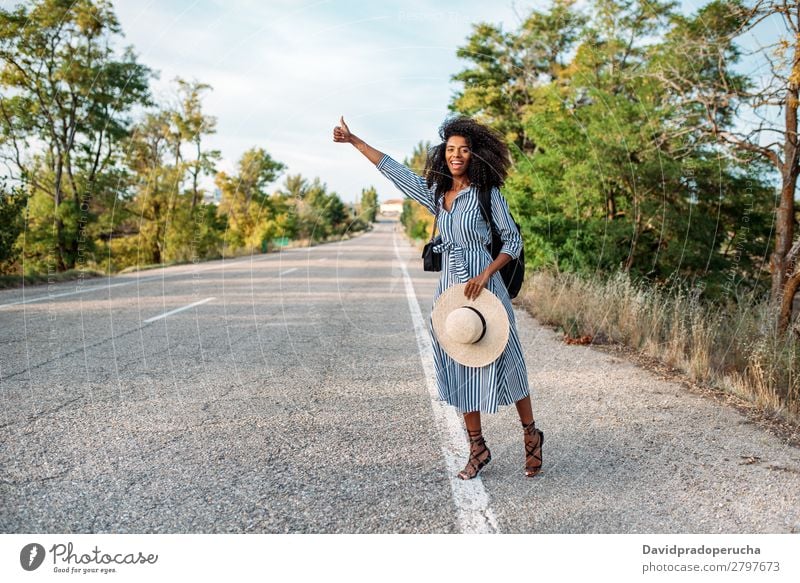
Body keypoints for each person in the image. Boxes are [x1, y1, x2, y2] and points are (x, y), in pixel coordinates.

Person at [333, 114, 543, 480]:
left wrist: (486, 273)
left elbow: (513, 241)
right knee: (461, 363)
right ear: (442, 154)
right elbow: (392, 170)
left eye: (463, 150)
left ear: (475, 155)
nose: (456, 155)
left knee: (508, 364)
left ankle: (531, 436)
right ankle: (477, 447)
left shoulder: (487, 195)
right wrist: (355, 141)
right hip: (451, 293)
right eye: (450, 150)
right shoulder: (436, 195)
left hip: (487, 290)